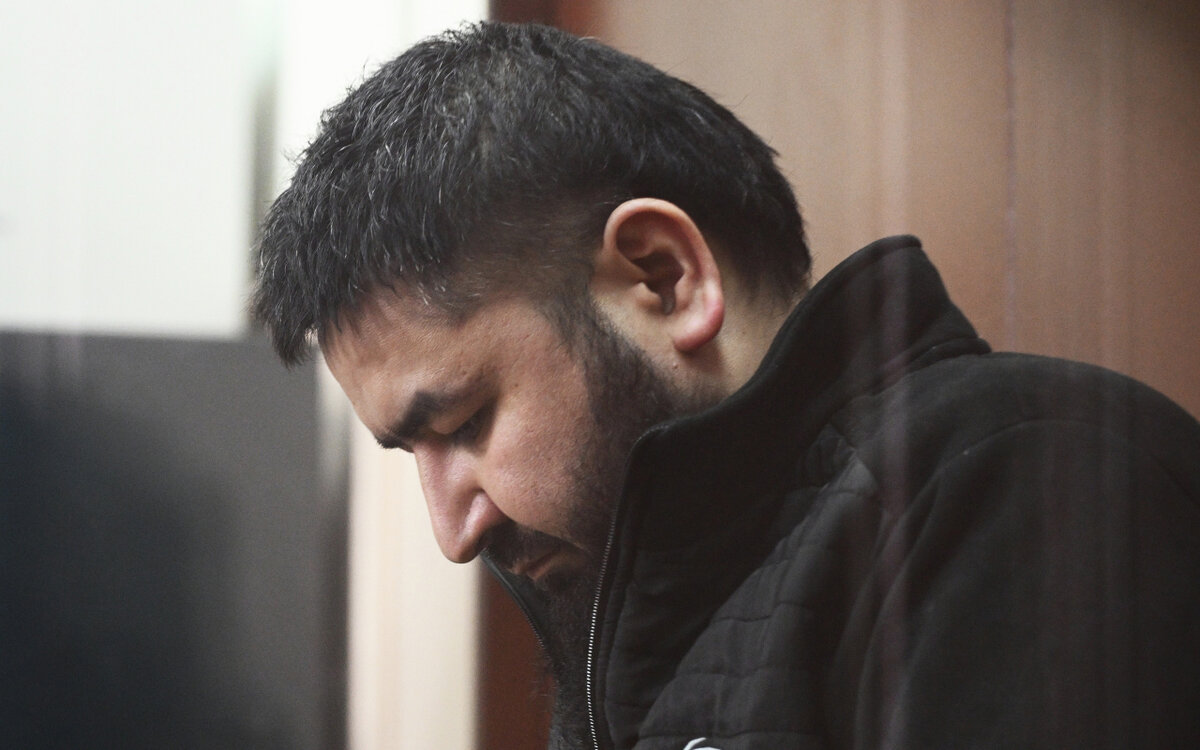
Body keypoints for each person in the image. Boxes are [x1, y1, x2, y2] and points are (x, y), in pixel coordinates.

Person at [253, 21, 1200, 750]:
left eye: (465, 422)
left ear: (663, 277)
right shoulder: (636, 615)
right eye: (412, 454)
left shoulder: (1024, 476)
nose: (453, 532)